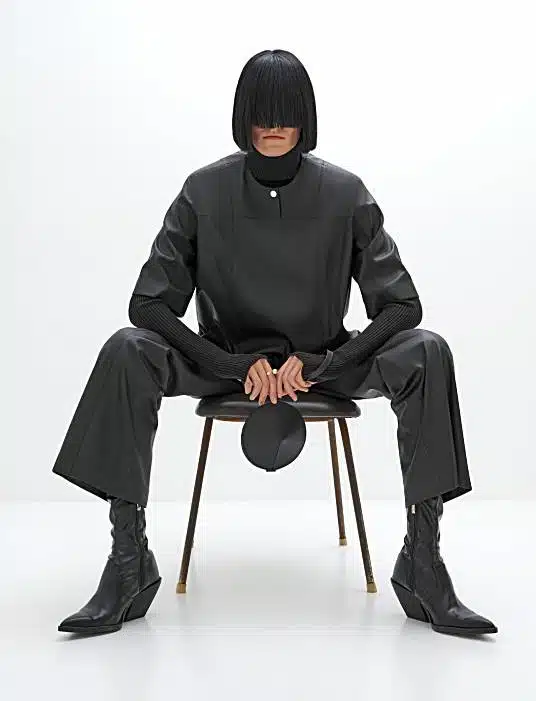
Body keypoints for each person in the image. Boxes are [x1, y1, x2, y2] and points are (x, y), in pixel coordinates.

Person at [52, 49, 497, 636]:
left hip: (324, 361)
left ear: (305, 116)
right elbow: (149, 304)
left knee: (426, 349)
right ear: (243, 115)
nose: (273, 125)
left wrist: (328, 362)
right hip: (223, 359)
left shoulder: (346, 193)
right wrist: (230, 364)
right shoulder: (202, 191)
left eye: (286, 111)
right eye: (260, 111)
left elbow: (402, 306)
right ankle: (128, 560)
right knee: (126, 347)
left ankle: (423, 560)